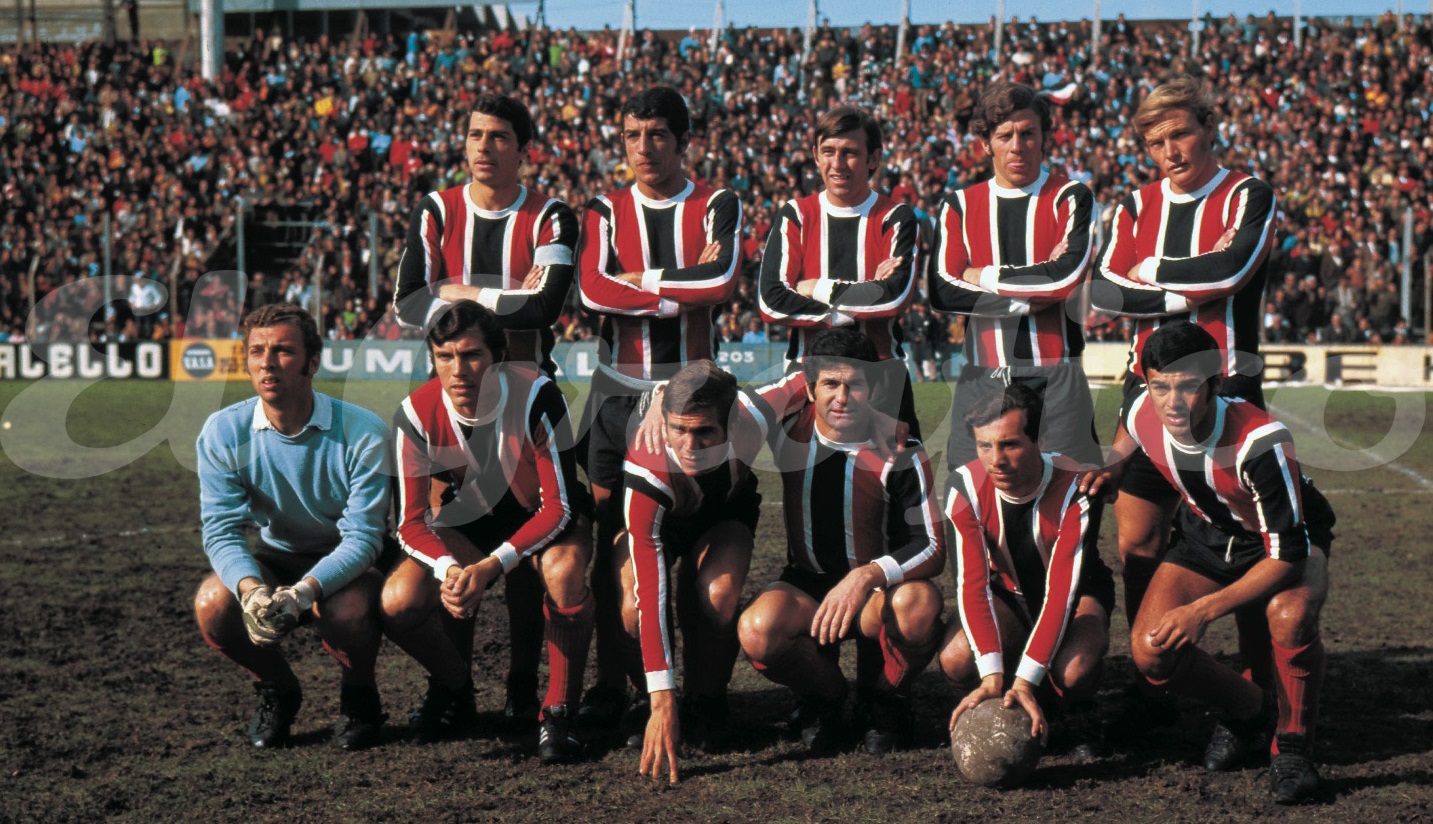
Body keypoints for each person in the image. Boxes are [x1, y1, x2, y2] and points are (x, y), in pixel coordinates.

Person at [1084, 321, 1334, 804]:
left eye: (1188, 387)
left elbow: (1287, 555)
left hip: (1285, 542)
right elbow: (1130, 416)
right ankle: (1251, 712)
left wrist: (1202, 611)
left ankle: (1294, 748)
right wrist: (1114, 463)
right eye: (1160, 386)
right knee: (1151, 650)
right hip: (1210, 534)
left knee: (1291, 616)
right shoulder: (1142, 408)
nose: (1172, 402)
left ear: (1216, 385)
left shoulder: (1260, 442)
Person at [392, 93, 580, 723]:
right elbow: (408, 304)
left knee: (529, 554)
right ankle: (455, 688)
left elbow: (545, 307)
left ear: (522, 149)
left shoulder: (551, 215)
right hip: (456, 408)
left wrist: (455, 291)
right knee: (457, 541)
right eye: (475, 134)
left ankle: (526, 685)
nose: (483, 147)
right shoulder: (437, 209)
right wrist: (492, 294)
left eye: (499, 137)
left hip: (527, 404)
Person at [576, 86, 743, 724]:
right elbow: (592, 290)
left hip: (694, 396)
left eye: (657, 136)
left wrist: (636, 281)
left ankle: (702, 696)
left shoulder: (715, 202)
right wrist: (678, 287)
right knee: (611, 546)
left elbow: (722, 281)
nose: (643, 149)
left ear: (681, 141)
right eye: (632, 136)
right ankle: (611, 688)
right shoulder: (604, 208)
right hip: (617, 401)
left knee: (698, 549)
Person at [1089, 76, 1278, 629]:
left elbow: (1232, 268)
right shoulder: (1135, 206)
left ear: (1209, 129)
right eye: (1155, 142)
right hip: (1145, 392)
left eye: (1180, 135)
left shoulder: (1247, 194)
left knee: (1251, 544)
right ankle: (1157, 686)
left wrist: (1146, 272)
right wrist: (1192, 286)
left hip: (1228, 388)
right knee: (1138, 545)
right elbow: (1102, 291)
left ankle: (1254, 684)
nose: (1169, 152)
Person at [380, 301, 593, 762]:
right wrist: (451, 567)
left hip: (544, 510)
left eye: (472, 355)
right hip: (475, 516)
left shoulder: (537, 393)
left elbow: (560, 505)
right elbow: (410, 522)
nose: (459, 370)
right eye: (445, 357)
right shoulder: (415, 413)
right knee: (400, 599)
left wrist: (496, 562)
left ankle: (558, 710)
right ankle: (455, 689)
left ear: (498, 355)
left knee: (564, 573)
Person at [737, 329, 946, 762]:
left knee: (920, 605)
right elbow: (730, 408)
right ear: (810, 388)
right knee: (757, 630)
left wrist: (868, 574)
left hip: (875, 594)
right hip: (807, 586)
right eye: (830, 383)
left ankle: (882, 702)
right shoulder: (788, 431)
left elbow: (932, 546)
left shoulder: (902, 448)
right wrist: (662, 396)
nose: (842, 396)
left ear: (875, 388)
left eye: (855, 384)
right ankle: (827, 697)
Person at [193, 304, 390, 751]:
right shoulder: (223, 431)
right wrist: (250, 590)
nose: (267, 362)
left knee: (345, 613)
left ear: (313, 362)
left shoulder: (362, 431)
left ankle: (359, 695)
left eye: (282, 351)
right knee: (213, 605)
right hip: (276, 555)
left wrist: (305, 592)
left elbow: (364, 537)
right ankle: (277, 689)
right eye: (257, 351)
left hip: (347, 559)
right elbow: (221, 529)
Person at [928, 81, 1101, 472]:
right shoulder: (958, 205)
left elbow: (1065, 281)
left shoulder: (1071, 196)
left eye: (1027, 134)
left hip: (1056, 375)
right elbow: (941, 290)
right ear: (985, 144)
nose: (1017, 145)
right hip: (981, 378)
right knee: (969, 504)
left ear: (1045, 138)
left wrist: (979, 274)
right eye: (1004, 135)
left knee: (1068, 503)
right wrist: (1033, 294)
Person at [940, 384, 1112, 754]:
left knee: (1074, 671)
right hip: (1009, 593)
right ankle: (996, 700)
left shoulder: (1076, 488)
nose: (995, 460)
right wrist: (991, 674)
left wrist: (1024, 681)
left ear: (1040, 439)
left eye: (1010, 444)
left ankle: (1079, 709)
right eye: (984, 446)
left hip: (1078, 594)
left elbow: (1061, 595)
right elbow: (972, 586)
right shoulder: (963, 487)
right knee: (955, 658)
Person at [620, 361, 764, 783]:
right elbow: (650, 590)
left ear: (732, 422)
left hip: (721, 516)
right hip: (655, 517)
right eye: (678, 430)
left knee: (719, 596)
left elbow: (806, 380)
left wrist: (889, 422)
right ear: (662, 421)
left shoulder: (755, 414)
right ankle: (643, 697)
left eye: (705, 432)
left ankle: (707, 700)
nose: (690, 444)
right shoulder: (647, 465)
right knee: (633, 602)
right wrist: (662, 699)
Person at [757, 106, 922, 437]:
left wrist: (815, 287)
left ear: (873, 158)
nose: (837, 163)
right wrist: (866, 293)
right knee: (809, 486)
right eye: (828, 152)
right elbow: (771, 302)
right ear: (816, 156)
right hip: (807, 380)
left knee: (899, 480)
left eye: (850, 153)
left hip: (882, 377)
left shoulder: (896, 216)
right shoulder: (797, 215)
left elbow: (894, 299)